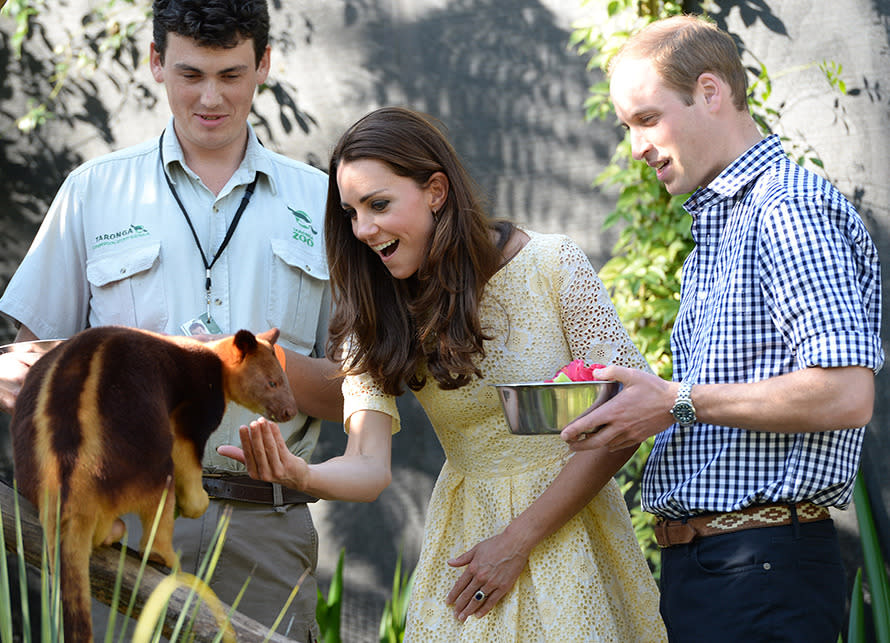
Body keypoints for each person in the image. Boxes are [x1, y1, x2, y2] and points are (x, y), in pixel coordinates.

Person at [218, 106, 667, 641]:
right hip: (469, 547)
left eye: (378, 205)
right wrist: (304, 476)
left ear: (435, 190)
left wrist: (518, 540)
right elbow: (367, 464)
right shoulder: (379, 311)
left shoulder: (553, 263)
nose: (363, 229)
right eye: (351, 213)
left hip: (571, 532)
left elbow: (628, 416)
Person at [0, 0, 343, 639]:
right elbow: (30, 366)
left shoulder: (323, 205)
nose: (210, 98)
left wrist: (244, 367)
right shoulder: (91, 191)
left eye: (232, 75)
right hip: (120, 523)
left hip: (263, 528)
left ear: (264, 64)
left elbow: (363, 392)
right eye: (190, 74)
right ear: (156, 62)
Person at [560, 15, 884, 643]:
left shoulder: (788, 209)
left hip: (763, 576)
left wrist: (676, 401)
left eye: (648, 119)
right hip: (724, 572)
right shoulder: (724, 221)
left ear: (710, 92)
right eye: (627, 127)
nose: (636, 148)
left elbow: (847, 394)